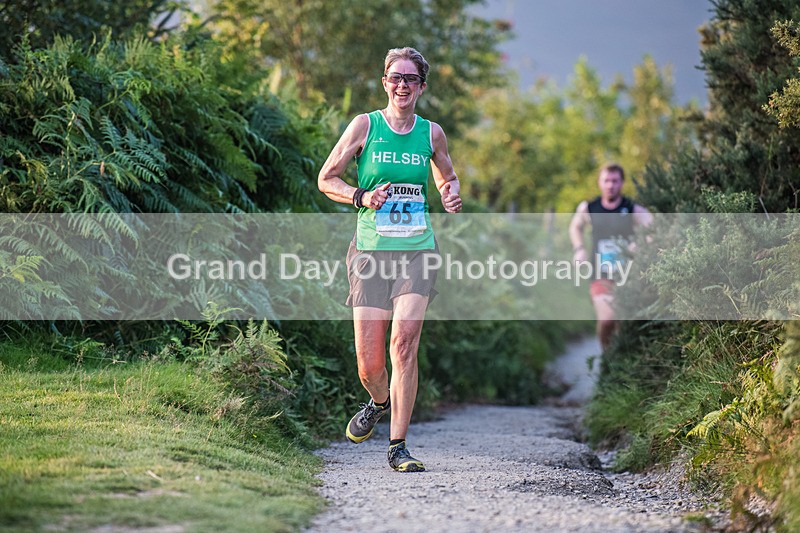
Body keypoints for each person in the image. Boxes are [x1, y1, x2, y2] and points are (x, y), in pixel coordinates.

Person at [318, 47, 462, 472]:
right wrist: (361, 195)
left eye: (410, 79)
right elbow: (327, 178)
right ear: (385, 82)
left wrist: (450, 192)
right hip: (370, 251)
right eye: (395, 77)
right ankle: (378, 401)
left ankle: (398, 445)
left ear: (421, 86)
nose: (402, 85)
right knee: (370, 365)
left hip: (417, 250)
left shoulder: (432, 133)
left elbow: (446, 175)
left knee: (404, 346)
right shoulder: (365, 125)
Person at [569, 163, 652, 351]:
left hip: (627, 276)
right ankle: (607, 358)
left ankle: (618, 364)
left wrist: (641, 243)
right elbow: (575, 226)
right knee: (607, 319)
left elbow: (652, 228)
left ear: (622, 183)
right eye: (606, 180)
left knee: (622, 325)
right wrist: (579, 248)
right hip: (600, 274)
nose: (610, 185)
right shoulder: (589, 208)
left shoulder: (632, 209)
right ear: (599, 182)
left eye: (615, 181)